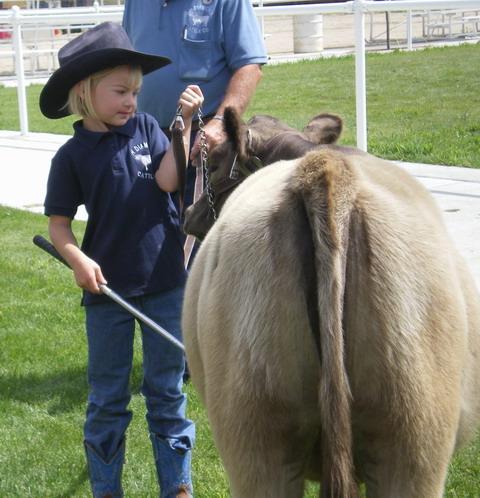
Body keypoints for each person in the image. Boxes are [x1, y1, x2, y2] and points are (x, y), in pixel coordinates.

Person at [39, 22, 203, 498]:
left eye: (135, 90)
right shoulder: (70, 157)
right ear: (85, 93)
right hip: (107, 291)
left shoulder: (147, 129)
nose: (131, 100)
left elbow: (169, 182)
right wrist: (77, 261)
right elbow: (58, 226)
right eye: (120, 91)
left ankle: (177, 488)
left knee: (167, 392)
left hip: (166, 280)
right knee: (108, 398)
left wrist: (185, 126)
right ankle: (106, 490)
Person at [123, 0, 268, 267]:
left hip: (202, 145)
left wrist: (221, 122)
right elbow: (126, 64)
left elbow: (250, 66)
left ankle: (187, 305)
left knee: (193, 252)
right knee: (149, 244)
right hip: (145, 140)